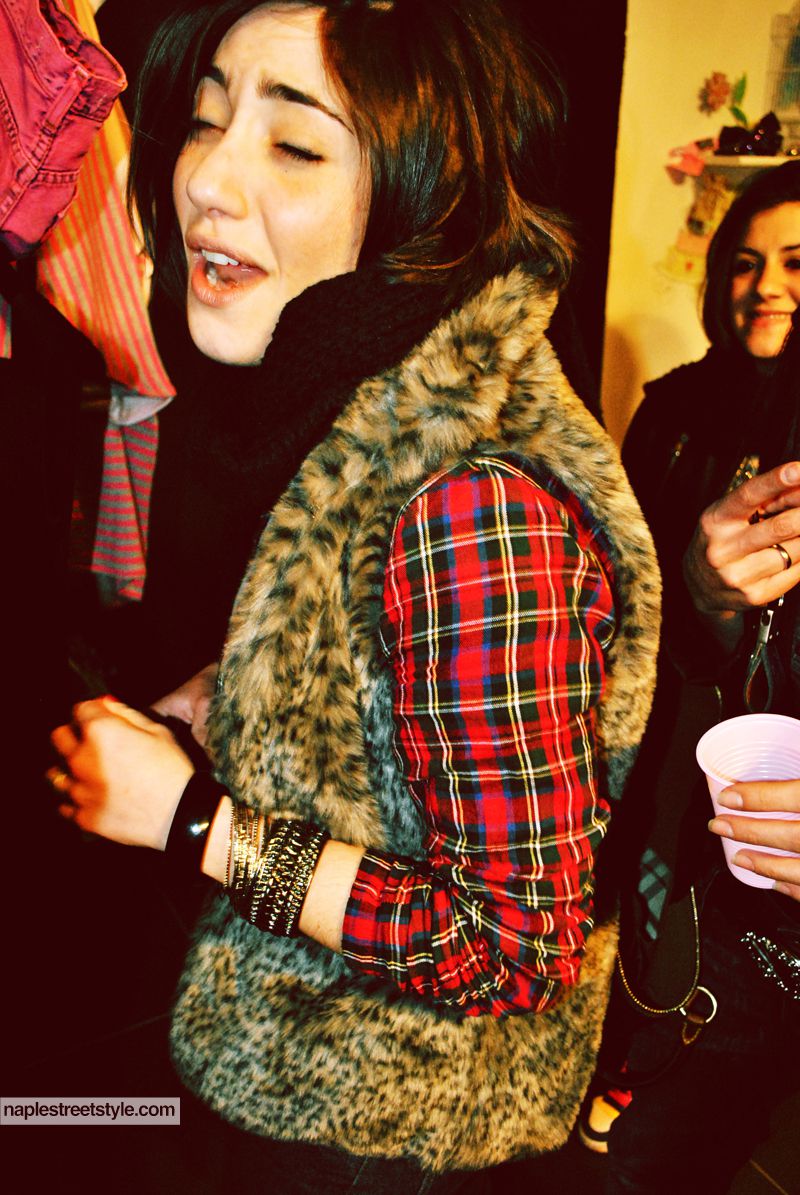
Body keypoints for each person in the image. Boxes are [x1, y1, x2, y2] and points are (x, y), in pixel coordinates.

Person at [47, 2, 660, 1190]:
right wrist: (244, 689)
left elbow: (509, 946)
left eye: (293, 144)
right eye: (206, 121)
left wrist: (197, 824)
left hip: (383, 1142)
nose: (204, 182)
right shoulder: (352, 403)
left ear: (421, 204)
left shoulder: (476, 503)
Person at [597, 161, 800, 1194]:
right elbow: (624, 609)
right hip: (665, 770)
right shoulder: (672, 409)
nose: (767, 286)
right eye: (746, 262)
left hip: (763, 865)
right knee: (643, 965)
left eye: (796, 262)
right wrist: (707, 597)